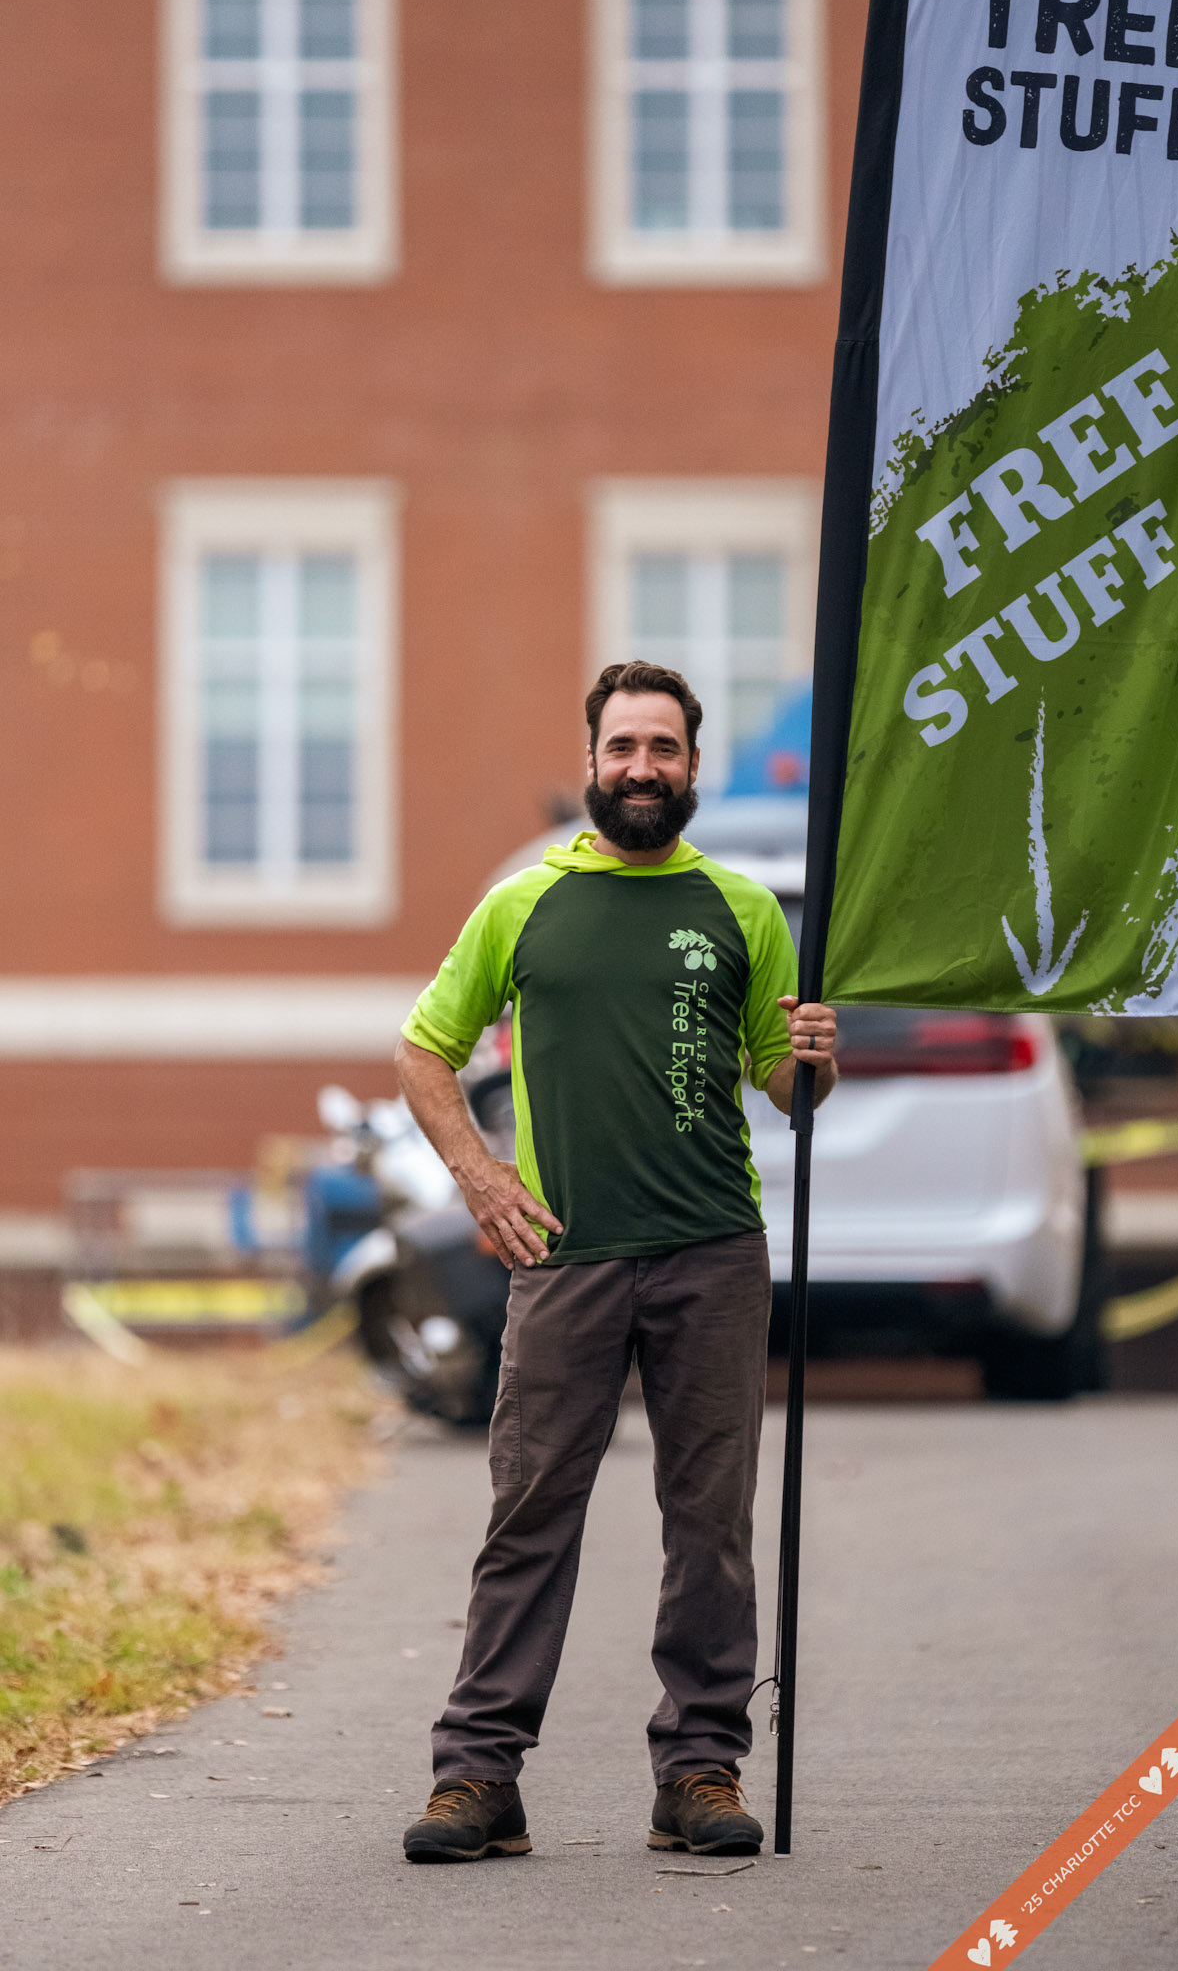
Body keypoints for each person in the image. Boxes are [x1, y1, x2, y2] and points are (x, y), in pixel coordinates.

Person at [395, 659, 837, 1864]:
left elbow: (785, 1086)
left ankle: (698, 1765)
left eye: (665, 748)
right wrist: (482, 1178)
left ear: (694, 765)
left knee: (711, 1519)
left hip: (712, 1252)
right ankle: (478, 1775)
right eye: (624, 746)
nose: (644, 767)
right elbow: (425, 1051)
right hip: (566, 1254)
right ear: (592, 761)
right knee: (530, 1510)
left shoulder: (743, 909)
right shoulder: (524, 904)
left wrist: (813, 1054)